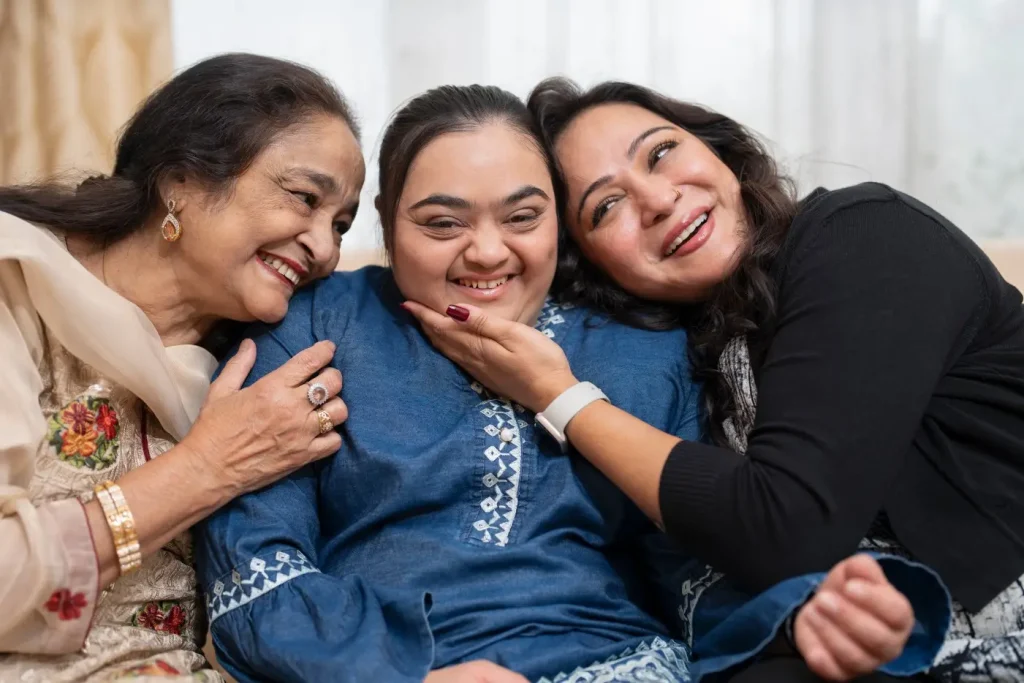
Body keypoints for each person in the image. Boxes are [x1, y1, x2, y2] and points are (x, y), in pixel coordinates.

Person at [197, 84, 948, 683]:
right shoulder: (318, 324)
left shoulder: (643, 346)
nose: (487, 252)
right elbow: (256, 567)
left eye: (523, 216)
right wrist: (407, 674)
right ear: (388, 227)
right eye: (440, 223)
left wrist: (797, 617)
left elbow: (687, 571)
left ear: (561, 223)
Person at [403, 77, 1024, 681]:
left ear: (719, 150)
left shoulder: (863, 232)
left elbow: (787, 524)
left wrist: (559, 397)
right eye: (606, 205)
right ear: (589, 266)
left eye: (661, 152)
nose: (658, 199)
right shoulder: (691, 353)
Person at [0, 53, 363, 681]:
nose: (326, 249)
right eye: (305, 199)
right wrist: (207, 468)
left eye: (341, 224)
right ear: (182, 182)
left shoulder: (264, 374)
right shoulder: (18, 282)